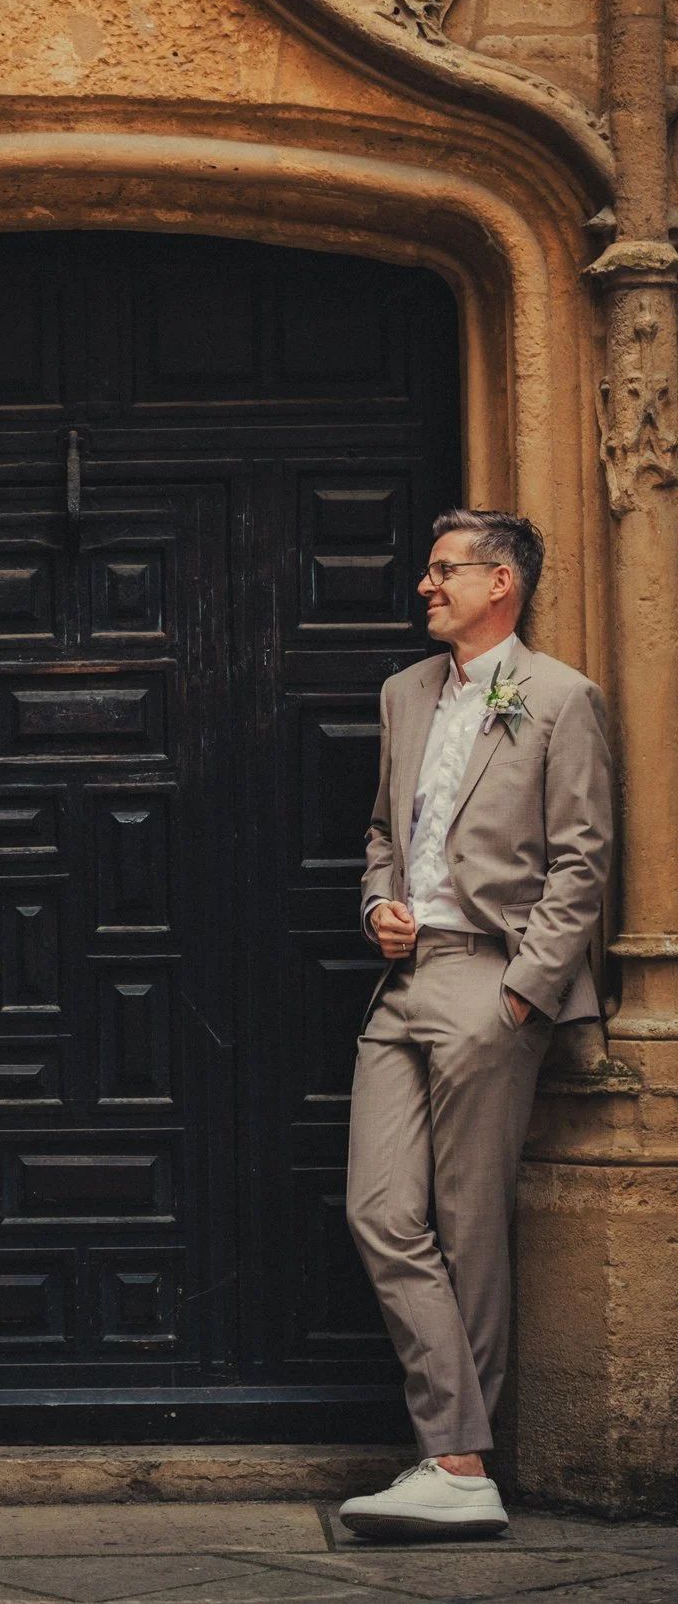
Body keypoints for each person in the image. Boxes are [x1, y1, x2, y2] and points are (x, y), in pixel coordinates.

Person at [338, 510, 612, 1540]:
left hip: (492, 985)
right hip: (403, 984)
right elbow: (381, 831)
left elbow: (583, 859)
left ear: (502, 583)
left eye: (444, 570)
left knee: (468, 1229)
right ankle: (458, 1456)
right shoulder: (402, 694)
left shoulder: (559, 697)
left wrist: (522, 993)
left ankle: (454, 1458)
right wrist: (377, 907)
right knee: (378, 1212)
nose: (424, 586)